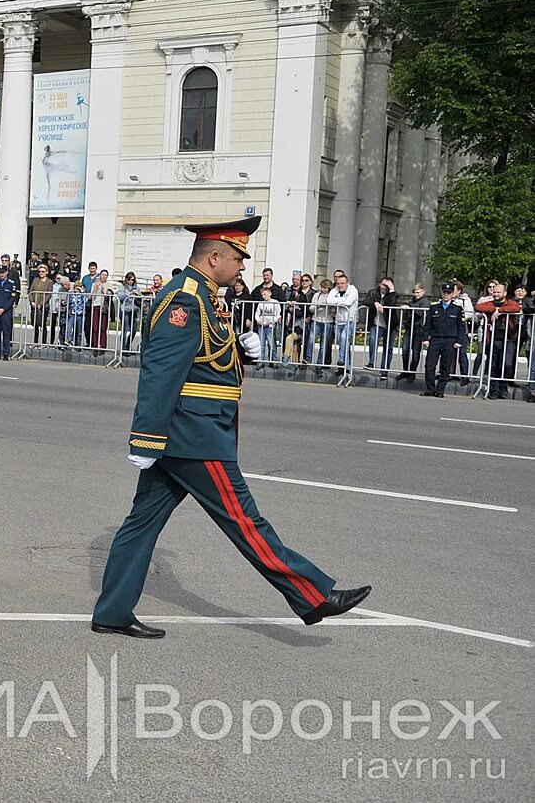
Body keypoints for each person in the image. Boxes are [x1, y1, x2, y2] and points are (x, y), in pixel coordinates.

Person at [92, 216, 369, 639]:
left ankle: (112, 611)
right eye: (239, 258)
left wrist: (241, 349)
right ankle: (313, 596)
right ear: (215, 256)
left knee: (142, 523)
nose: (243, 268)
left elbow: (205, 360)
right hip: (193, 435)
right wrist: (145, 436)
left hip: (195, 430)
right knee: (245, 519)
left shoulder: (204, 297)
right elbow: (162, 372)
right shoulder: (185, 300)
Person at [474, 281, 522, 399]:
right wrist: (494, 309)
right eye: (494, 292)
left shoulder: (510, 303)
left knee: (506, 364)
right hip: (492, 338)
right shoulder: (489, 303)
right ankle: (494, 390)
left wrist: (500, 311)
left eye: (498, 292)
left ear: (504, 293)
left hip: (508, 339)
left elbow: (515, 307)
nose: (495, 294)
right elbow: (478, 307)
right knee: (493, 365)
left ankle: (503, 386)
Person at [420, 283, 467, 398]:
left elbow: (461, 326)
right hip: (435, 339)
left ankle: (440, 390)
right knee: (430, 366)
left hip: (450, 340)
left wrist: (459, 341)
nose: (446, 295)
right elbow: (427, 325)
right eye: (444, 292)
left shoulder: (457, 309)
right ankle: (430, 389)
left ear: (452, 294)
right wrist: (426, 338)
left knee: (445, 367)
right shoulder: (434, 307)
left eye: (449, 293)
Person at [0, 265, 20, 360]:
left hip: (6, 312)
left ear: (7, 273)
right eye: (0, 272)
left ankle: (6, 353)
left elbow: (12, 298)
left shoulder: (11, 284)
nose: (1, 274)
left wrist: (3, 309)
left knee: (6, 333)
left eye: (3, 272)